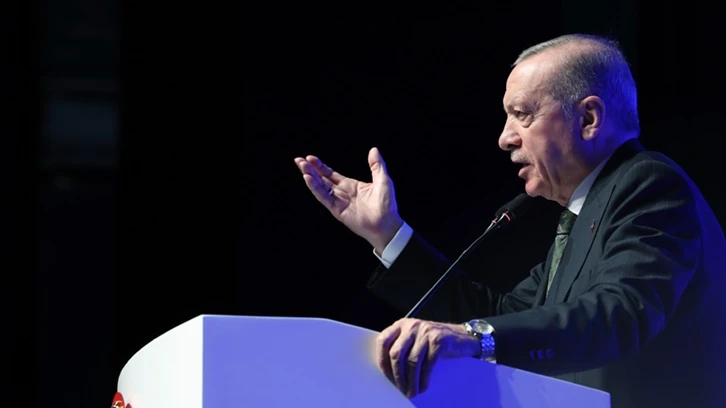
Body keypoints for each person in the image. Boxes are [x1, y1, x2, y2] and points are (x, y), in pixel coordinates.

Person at [293, 33, 726, 408]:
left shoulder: (649, 185)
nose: (504, 138)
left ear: (588, 119)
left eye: (522, 114)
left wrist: (475, 337)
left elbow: (619, 313)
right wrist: (387, 233)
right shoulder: (584, 216)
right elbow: (501, 317)